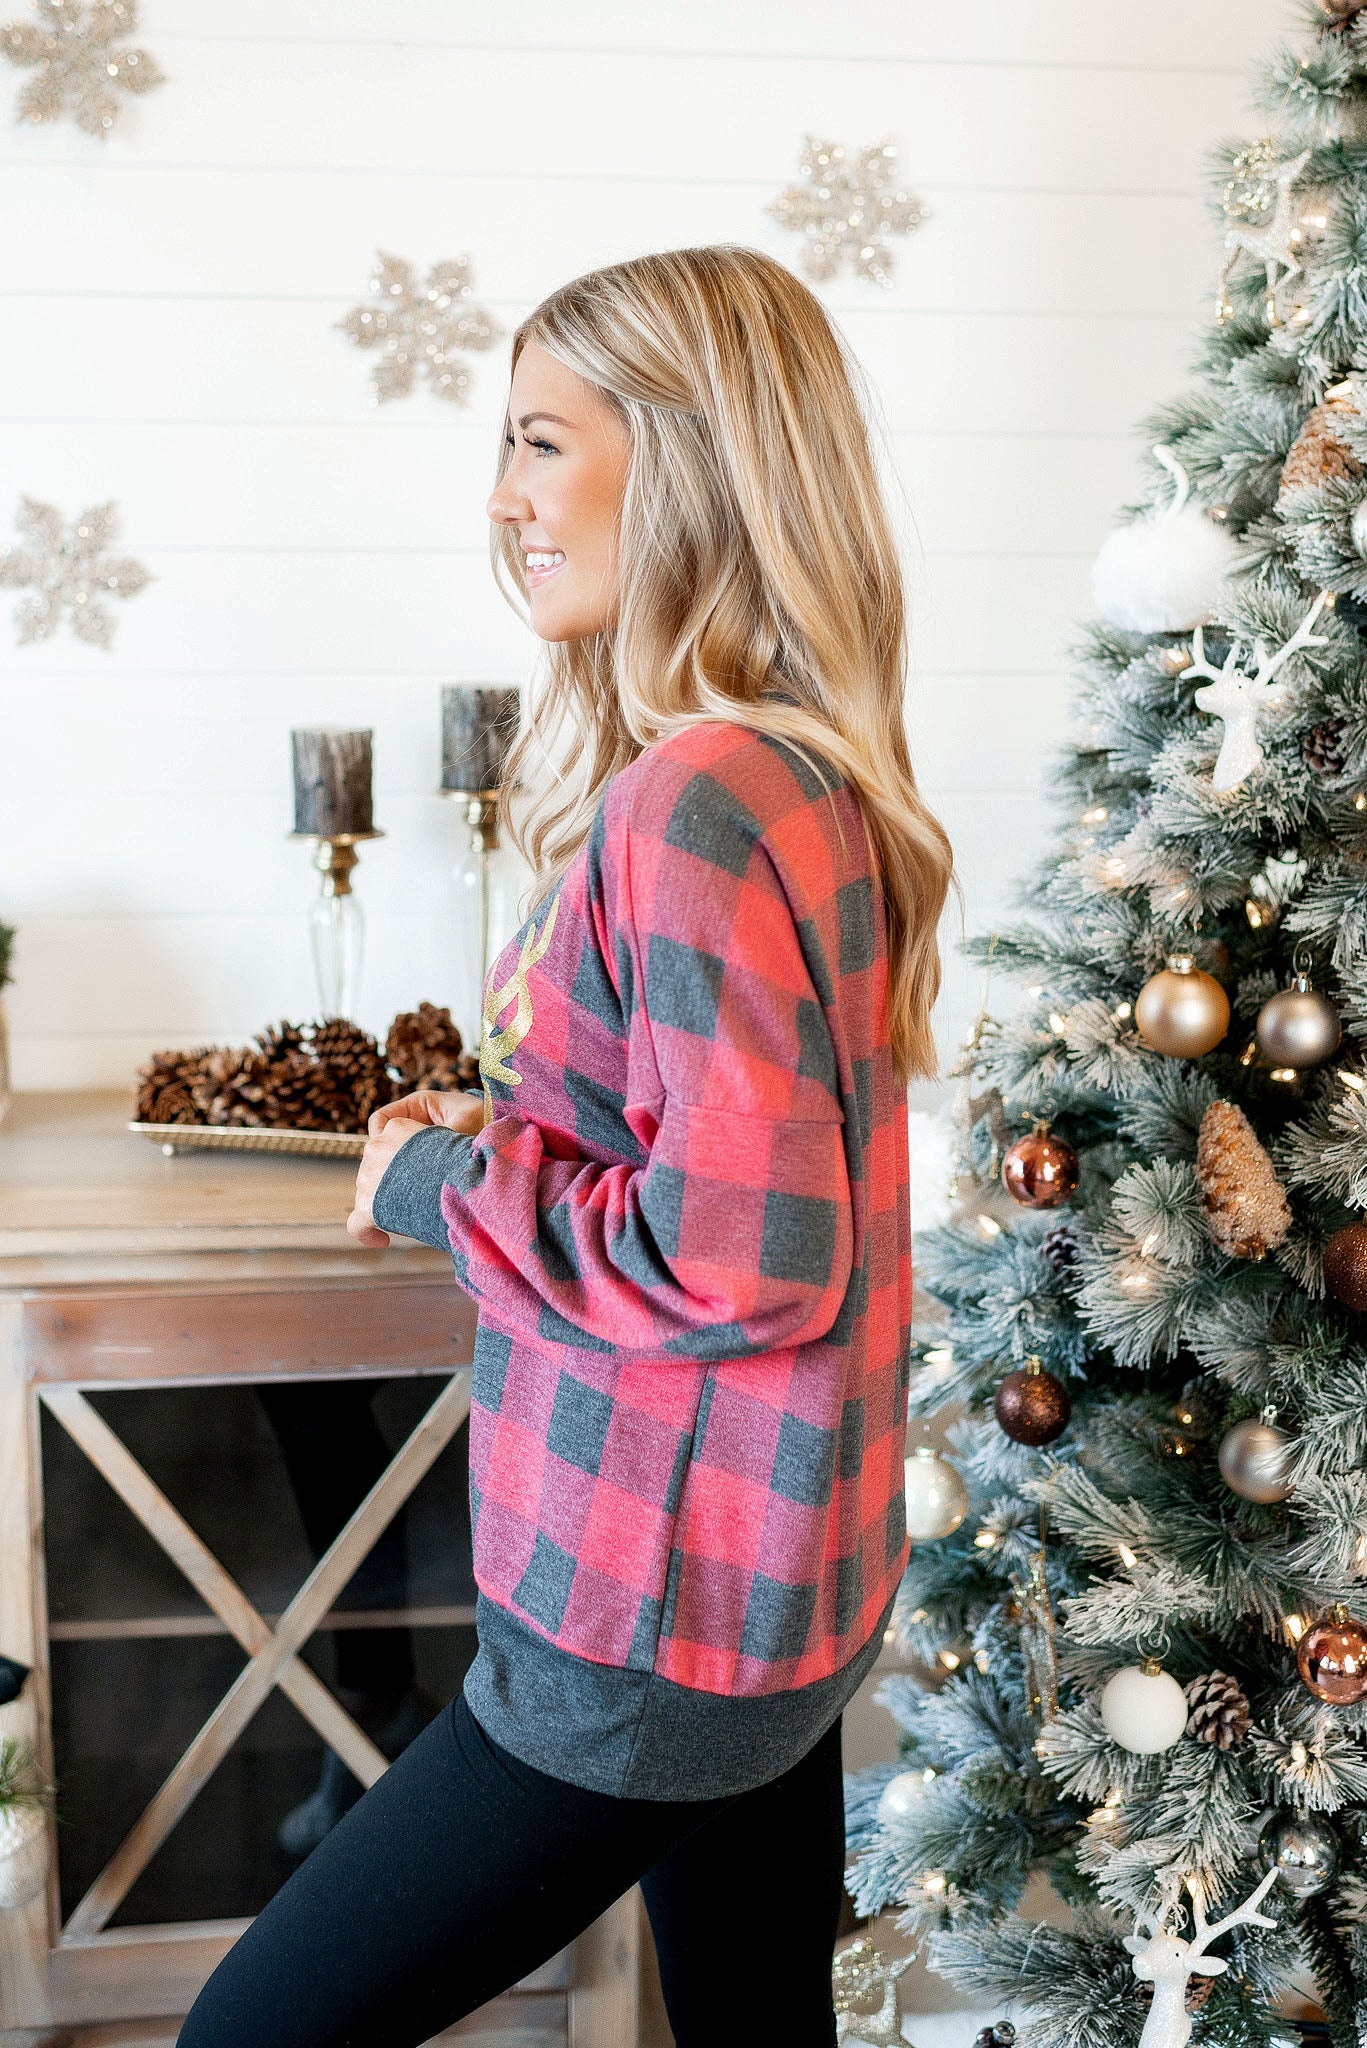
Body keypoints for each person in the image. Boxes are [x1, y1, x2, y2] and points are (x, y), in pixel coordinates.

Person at [178, 244, 953, 2048]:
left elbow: (744, 1256)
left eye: (541, 440)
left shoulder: (694, 801)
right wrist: (524, 1126)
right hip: (773, 1598)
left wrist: (437, 1184)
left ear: (683, 461)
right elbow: (740, 1152)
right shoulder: (805, 775)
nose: (504, 496)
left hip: (641, 1618)